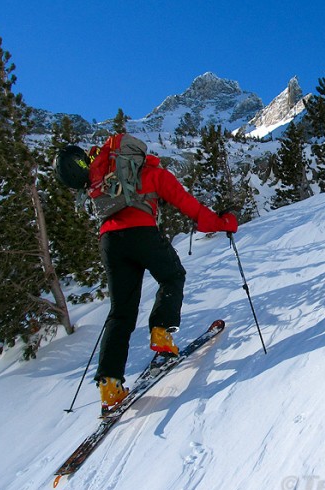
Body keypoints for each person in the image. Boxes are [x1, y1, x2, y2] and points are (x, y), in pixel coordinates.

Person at [92, 139, 238, 414]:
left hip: (109, 241)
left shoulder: (107, 177)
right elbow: (191, 208)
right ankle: (161, 334)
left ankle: (110, 385)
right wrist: (223, 223)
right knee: (172, 276)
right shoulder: (153, 172)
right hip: (142, 233)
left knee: (120, 312)